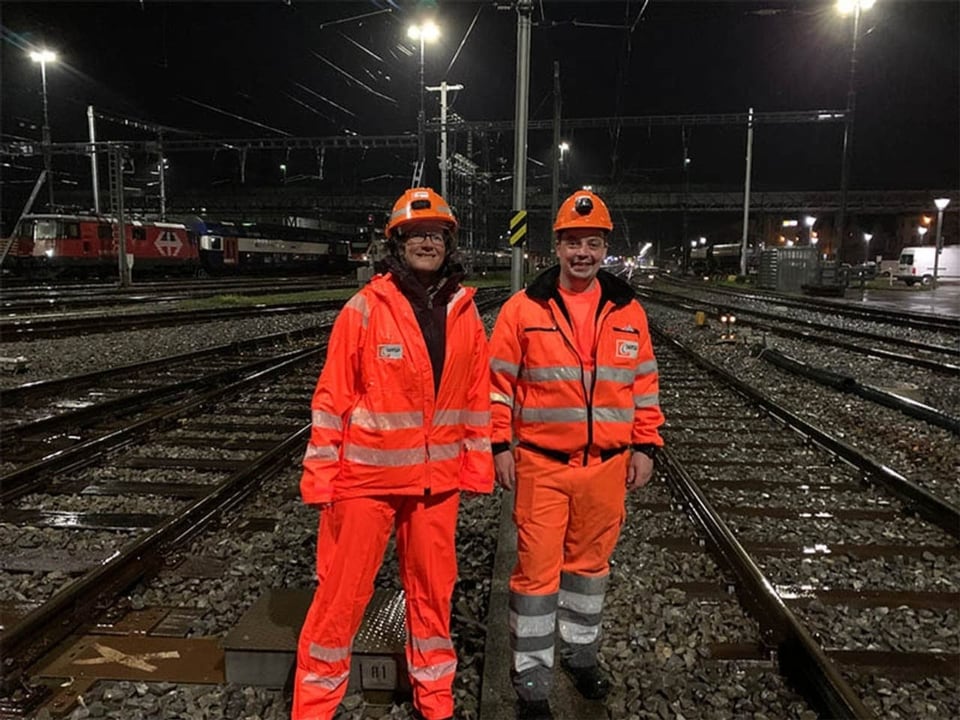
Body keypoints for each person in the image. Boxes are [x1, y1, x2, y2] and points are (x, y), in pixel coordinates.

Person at [293, 187, 494, 720]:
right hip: (366, 482)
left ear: (449, 242)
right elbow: (332, 398)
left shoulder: (464, 312)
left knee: (432, 601)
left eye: (436, 234)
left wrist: (475, 468)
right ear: (396, 242)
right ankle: (312, 710)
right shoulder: (363, 311)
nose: (426, 242)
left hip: (435, 486)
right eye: (415, 234)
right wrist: (320, 477)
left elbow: (476, 398)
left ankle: (436, 704)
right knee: (339, 603)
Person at [488, 189, 665, 719]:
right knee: (536, 578)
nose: (581, 253)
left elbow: (644, 386)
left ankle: (579, 656)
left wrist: (647, 444)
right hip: (542, 465)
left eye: (592, 243)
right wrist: (499, 443)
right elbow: (497, 385)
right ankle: (532, 685)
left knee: (589, 572)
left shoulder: (628, 310)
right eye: (572, 243)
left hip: (608, 469)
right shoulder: (524, 310)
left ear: (605, 247)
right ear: (556, 247)